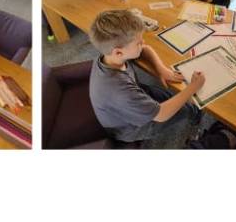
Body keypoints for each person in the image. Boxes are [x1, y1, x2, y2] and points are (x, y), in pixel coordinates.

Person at [87, 9, 204, 145]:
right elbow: (161, 115)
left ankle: (191, 110)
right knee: (187, 109)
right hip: (131, 128)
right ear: (118, 52)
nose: (143, 42)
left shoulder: (109, 56)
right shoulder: (120, 91)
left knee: (168, 95)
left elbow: (145, 49)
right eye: (138, 43)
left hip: (135, 95)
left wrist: (161, 70)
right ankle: (196, 120)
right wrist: (193, 87)